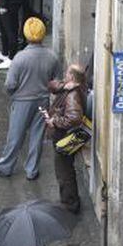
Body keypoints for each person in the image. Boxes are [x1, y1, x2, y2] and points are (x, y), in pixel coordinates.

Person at [0, 17, 58, 179]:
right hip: (42, 100)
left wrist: (13, 94)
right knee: (37, 136)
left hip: (22, 101)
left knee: (15, 135)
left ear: (26, 34)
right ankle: (32, 170)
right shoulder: (52, 56)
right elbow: (55, 80)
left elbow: (10, 84)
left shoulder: (20, 58)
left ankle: (5, 165)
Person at [42, 64, 87, 213]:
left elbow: (74, 118)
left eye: (67, 74)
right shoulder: (70, 88)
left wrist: (54, 121)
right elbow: (52, 85)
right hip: (63, 136)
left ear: (72, 77)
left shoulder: (73, 95)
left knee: (64, 171)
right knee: (64, 169)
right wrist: (64, 86)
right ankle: (69, 200)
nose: (64, 76)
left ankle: (70, 203)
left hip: (65, 138)